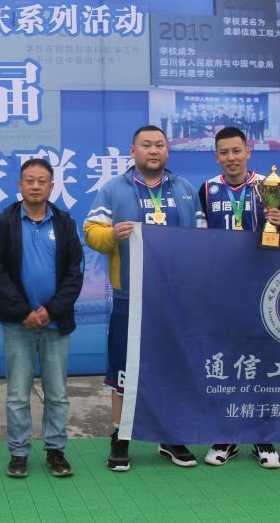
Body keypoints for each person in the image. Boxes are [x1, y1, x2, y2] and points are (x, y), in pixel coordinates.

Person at [84, 125, 203, 472]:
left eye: (159, 145)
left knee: (171, 366)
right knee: (123, 370)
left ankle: (170, 435)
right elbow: (91, 232)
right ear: (132, 151)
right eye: (146, 145)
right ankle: (121, 435)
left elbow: (200, 238)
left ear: (167, 150)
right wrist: (111, 234)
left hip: (174, 298)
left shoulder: (184, 189)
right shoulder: (114, 189)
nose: (153, 150)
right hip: (129, 296)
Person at [0, 158, 84, 479]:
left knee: (57, 394)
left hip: (56, 324)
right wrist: (23, 311)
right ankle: (18, 452)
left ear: (51, 186)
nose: (35, 186)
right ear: (19, 185)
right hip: (18, 324)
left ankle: (56, 450)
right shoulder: (5, 222)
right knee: (18, 394)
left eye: (42, 181)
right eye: (29, 180)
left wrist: (50, 310)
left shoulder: (65, 222)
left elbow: (74, 273)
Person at [198, 126, 280, 469]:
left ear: (248, 152)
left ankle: (263, 436)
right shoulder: (207, 189)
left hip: (263, 286)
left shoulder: (269, 186)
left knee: (261, 360)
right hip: (222, 289)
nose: (231, 158)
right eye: (224, 152)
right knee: (226, 359)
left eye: (237, 151)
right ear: (216, 156)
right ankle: (226, 435)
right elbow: (197, 240)